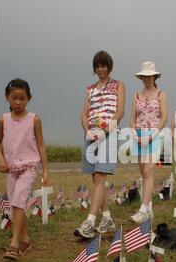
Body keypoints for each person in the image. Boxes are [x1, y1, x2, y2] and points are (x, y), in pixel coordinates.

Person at [0, 79, 49, 260]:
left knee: (18, 201)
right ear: (7, 98)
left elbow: (41, 145)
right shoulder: (3, 119)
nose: (18, 102)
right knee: (15, 206)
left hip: (29, 167)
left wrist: (46, 170)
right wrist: (0, 157)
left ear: (29, 98)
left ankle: (14, 244)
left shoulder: (34, 119)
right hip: (11, 169)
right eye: (14, 98)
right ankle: (25, 239)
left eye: (22, 99)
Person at [75, 51, 125, 238]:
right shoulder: (90, 88)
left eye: (103, 65)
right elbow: (84, 112)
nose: (100, 69)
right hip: (91, 134)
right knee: (96, 178)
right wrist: (87, 130)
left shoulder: (118, 85)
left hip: (109, 133)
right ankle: (106, 217)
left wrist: (106, 131)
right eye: (97, 66)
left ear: (109, 67)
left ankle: (89, 222)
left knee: (101, 175)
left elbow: (120, 112)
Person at [129, 61, 168, 224]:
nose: (146, 78)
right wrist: (133, 132)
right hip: (138, 135)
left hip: (154, 134)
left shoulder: (161, 94)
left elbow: (164, 117)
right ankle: (149, 207)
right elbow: (132, 117)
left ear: (154, 76)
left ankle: (143, 209)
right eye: (144, 76)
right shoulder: (136, 96)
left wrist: (153, 135)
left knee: (148, 171)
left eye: (149, 76)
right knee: (142, 172)